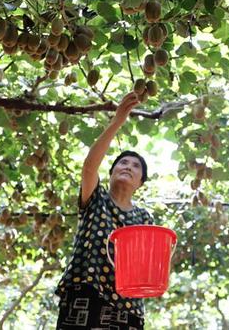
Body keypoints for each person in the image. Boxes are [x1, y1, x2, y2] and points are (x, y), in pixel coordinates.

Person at [55, 92, 153, 330]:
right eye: (122, 163)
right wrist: (118, 120)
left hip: (127, 306)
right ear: (110, 174)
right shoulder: (96, 198)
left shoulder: (144, 218)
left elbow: (147, 264)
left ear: (140, 182)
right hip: (84, 294)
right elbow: (89, 167)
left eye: (135, 166)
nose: (128, 167)